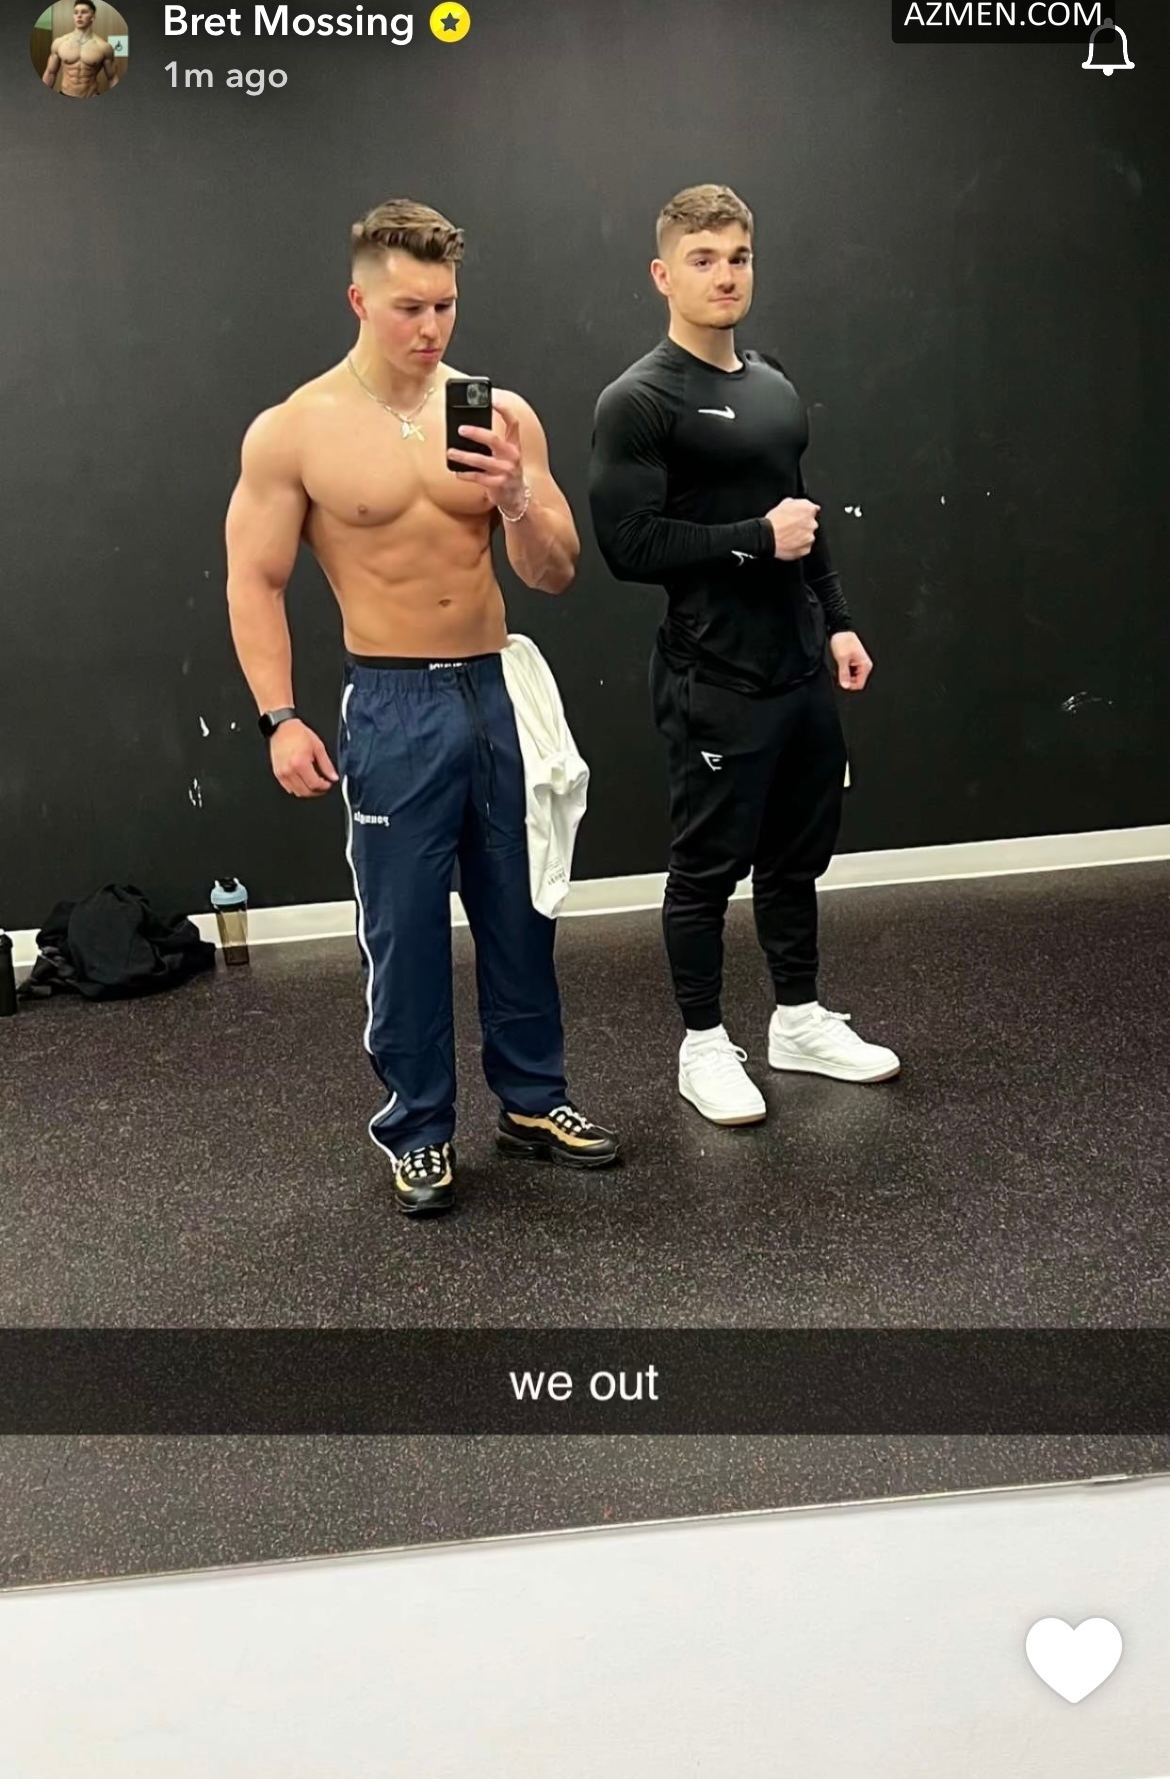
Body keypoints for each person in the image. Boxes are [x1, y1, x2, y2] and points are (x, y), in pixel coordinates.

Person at [225, 199, 620, 1215]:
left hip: (494, 690)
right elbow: (254, 579)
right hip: (392, 701)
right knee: (403, 929)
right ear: (359, 301)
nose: (432, 327)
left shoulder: (501, 415)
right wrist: (280, 716)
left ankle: (532, 1101)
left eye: (445, 305)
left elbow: (556, 571)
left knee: (520, 911)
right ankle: (419, 1128)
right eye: (410, 307)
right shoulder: (297, 428)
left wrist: (516, 496)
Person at [588, 183, 900, 1127]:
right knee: (706, 869)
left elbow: (802, 513)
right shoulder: (639, 400)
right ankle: (703, 1046)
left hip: (799, 665)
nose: (725, 276)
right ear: (663, 274)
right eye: (703, 260)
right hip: (713, 674)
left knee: (797, 859)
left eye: (738, 258)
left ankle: (798, 1020)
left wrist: (836, 619)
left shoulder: (771, 381)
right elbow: (628, 545)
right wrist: (756, 540)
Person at [43, 0, 119, 98]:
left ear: (93, 17)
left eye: (84, 12)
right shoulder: (59, 43)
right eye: (76, 12)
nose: (79, 15)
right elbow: (50, 73)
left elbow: (112, 77)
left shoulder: (104, 47)